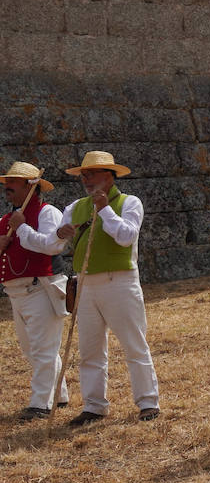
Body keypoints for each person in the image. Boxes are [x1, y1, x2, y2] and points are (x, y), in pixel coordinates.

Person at [42, 151, 160, 425]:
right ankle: (94, 406)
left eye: (91, 174)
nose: (86, 179)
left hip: (119, 282)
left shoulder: (130, 203)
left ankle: (148, 402)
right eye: (83, 175)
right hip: (85, 284)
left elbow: (126, 237)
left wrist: (105, 209)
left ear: (109, 176)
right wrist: (59, 235)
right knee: (90, 349)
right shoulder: (74, 208)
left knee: (134, 344)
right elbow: (52, 245)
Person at [1, 162, 69, 419]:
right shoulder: (6, 219)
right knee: (33, 349)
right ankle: (59, 395)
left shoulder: (46, 212)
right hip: (16, 293)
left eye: (13, 182)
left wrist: (22, 228)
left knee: (43, 350)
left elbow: (52, 245)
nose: (6, 187)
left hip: (40, 288)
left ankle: (40, 404)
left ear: (31, 186)